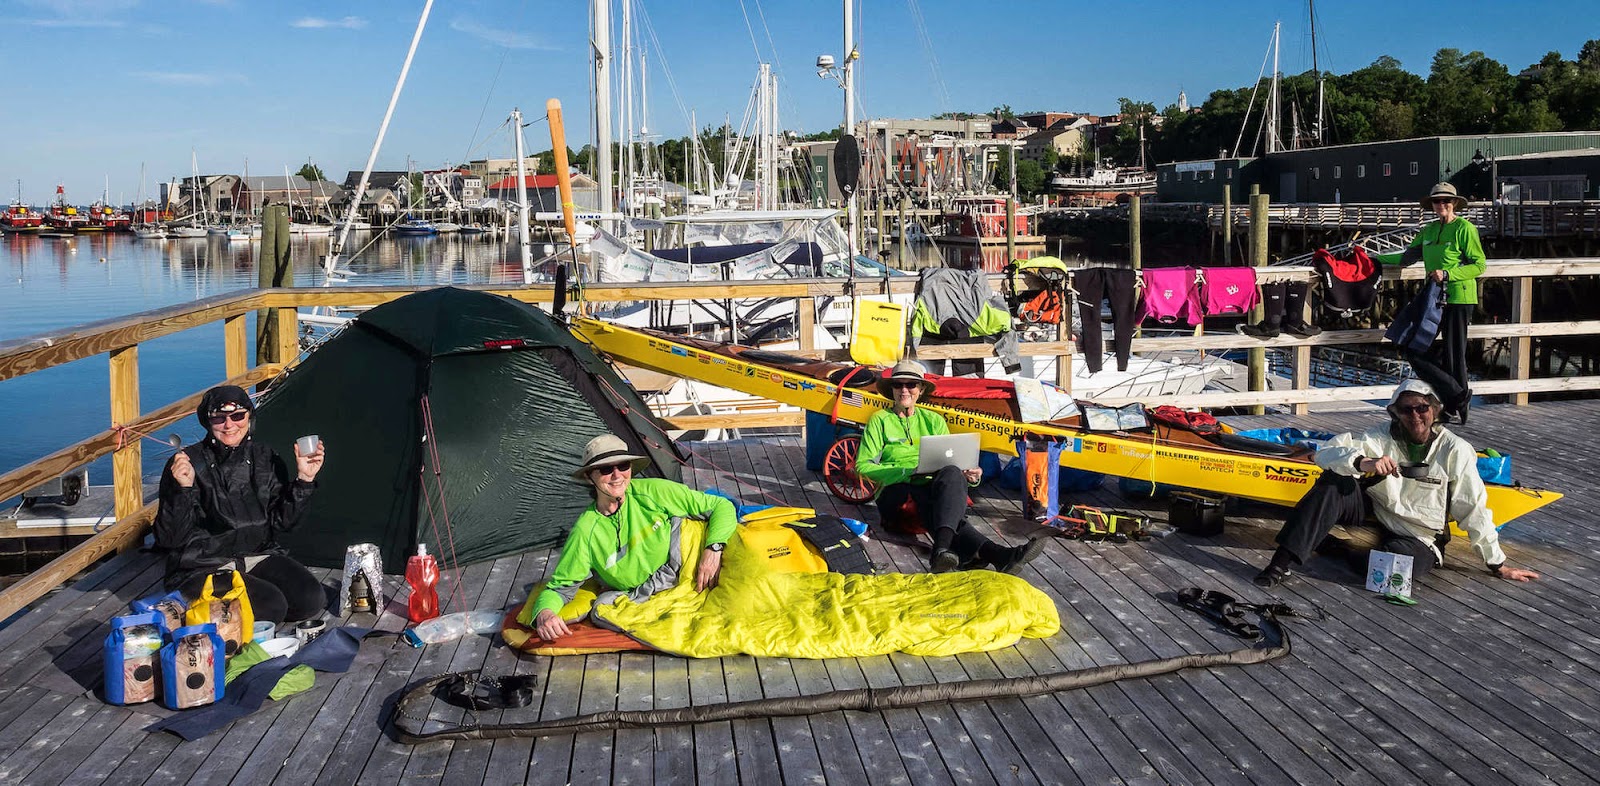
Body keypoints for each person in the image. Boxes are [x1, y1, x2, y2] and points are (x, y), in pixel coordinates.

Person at [1253, 379, 1539, 588]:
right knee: (1333, 479)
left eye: (1422, 408)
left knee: (1390, 573)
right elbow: (1326, 453)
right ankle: (1279, 565)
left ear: (1435, 410)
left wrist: (1497, 564)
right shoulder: (1380, 436)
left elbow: (1472, 508)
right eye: (1406, 409)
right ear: (1395, 413)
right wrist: (1361, 462)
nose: (1414, 415)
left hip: (1420, 534)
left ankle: (1339, 548)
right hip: (1378, 513)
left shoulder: (1456, 450)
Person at [532, 434, 736, 641]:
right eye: (605, 469)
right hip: (649, 593)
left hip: (696, 563)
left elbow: (722, 506)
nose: (617, 475)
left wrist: (714, 549)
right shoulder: (586, 531)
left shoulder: (654, 491)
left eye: (623, 466)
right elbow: (560, 588)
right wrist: (545, 614)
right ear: (588, 477)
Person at [154, 385, 327, 623]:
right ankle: (194, 605)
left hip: (257, 554)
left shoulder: (265, 457)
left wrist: (304, 480)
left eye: (237, 416)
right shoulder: (186, 463)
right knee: (272, 606)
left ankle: (230, 611)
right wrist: (182, 490)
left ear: (249, 417)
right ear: (207, 420)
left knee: (310, 600)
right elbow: (169, 539)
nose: (229, 425)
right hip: (202, 565)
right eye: (219, 417)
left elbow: (283, 524)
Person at [855, 360, 1047, 575]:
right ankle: (994, 554)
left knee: (953, 473)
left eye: (911, 385)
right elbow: (862, 466)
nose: (904, 390)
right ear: (891, 389)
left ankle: (947, 552)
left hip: (931, 490)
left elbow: (951, 460)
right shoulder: (879, 420)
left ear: (920, 390)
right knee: (940, 507)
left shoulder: (933, 420)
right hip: (897, 494)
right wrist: (906, 471)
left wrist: (972, 475)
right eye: (898, 385)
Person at [1375, 182, 1485, 424]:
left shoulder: (1464, 229)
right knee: (1413, 348)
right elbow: (1406, 257)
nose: (1441, 205)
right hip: (1435, 299)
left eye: (1446, 200)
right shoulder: (1429, 230)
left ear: (1455, 203)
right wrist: (1370, 257)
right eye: (1437, 201)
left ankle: (1451, 406)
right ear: (1432, 205)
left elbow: (1479, 265)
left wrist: (1449, 274)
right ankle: (1458, 396)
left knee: (1454, 356)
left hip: (1459, 297)